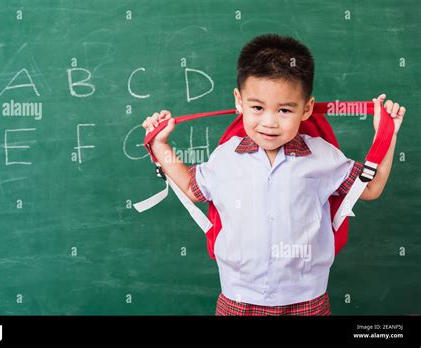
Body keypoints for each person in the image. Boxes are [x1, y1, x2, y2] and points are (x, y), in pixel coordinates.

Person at [141, 33, 406, 316]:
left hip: (308, 301)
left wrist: (386, 135)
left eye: (284, 110)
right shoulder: (226, 157)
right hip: (237, 300)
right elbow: (193, 189)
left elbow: (371, 187)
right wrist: (160, 145)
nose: (269, 122)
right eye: (257, 107)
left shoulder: (322, 156)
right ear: (239, 101)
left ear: (306, 109)